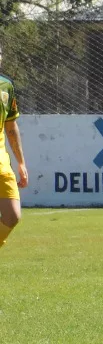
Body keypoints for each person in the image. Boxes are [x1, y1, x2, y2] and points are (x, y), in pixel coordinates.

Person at [0, 46, 27, 251]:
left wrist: (21, 162)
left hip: (1, 160)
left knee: (12, 215)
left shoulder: (6, 86)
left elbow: (11, 126)